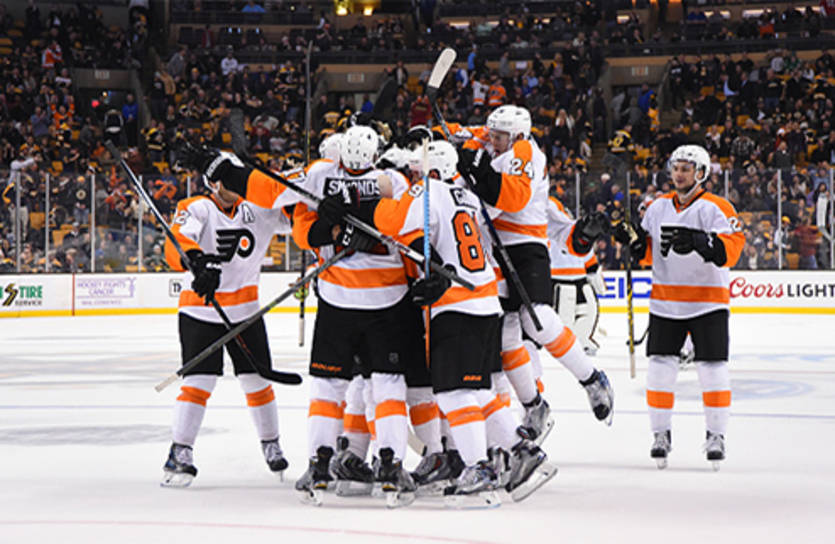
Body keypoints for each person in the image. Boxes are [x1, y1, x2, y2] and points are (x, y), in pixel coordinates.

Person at [454, 105, 615, 443]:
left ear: (518, 136)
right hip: (491, 251)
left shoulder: (526, 155)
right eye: (493, 135)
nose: (494, 141)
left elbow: (513, 201)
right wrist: (440, 137)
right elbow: (466, 134)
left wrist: (584, 238)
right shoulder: (492, 146)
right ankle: (533, 406)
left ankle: (591, 379)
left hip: (525, 248)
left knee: (536, 318)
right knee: (506, 336)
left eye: (501, 137)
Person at [291, 125, 418, 506]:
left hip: (340, 300)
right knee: (388, 386)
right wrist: (334, 229)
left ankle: (320, 463)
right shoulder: (394, 180)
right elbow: (405, 226)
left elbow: (303, 235)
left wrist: (331, 224)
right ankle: (390, 465)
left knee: (328, 387)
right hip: (386, 300)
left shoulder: (319, 176)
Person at [160, 151, 296, 487]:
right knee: (199, 382)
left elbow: (295, 217)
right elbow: (176, 244)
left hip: (246, 313)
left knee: (257, 382)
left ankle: (271, 443)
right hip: (200, 310)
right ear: (215, 182)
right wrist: (196, 261)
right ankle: (180, 450)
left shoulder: (259, 207)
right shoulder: (196, 207)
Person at [614, 144, 745, 470]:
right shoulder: (658, 207)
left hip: (708, 303)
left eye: (686, 168)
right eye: (676, 168)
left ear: (701, 173)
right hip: (666, 303)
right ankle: (660, 434)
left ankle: (716, 435)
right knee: (660, 368)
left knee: (712, 369)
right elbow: (648, 252)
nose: (679, 174)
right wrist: (632, 242)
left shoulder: (717, 207)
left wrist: (701, 241)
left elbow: (731, 250)